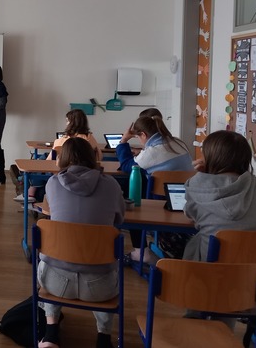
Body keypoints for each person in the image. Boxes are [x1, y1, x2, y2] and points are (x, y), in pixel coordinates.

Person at [37, 138, 125, 348]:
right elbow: (119, 220)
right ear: (93, 157)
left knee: (51, 258)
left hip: (55, 283)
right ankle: (103, 337)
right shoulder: (111, 184)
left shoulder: (52, 183)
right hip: (101, 287)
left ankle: (51, 334)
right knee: (108, 263)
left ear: (62, 159)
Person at [183, 130, 256, 319]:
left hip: (208, 284)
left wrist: (201, 177)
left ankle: (197, 320)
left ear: (210, 158)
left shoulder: (198, 186)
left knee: (197, 244)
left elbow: (190, 213)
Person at [118, 114, 192, 263]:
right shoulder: (178, 142)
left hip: (160, 202)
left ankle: (140, 252)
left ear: (143, 135)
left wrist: (123, 141)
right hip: (186, 197)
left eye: (138, 137)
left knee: (131, 201)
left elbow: (126, 166)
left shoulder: (153, 152)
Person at [14, 109, 101, 203]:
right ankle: (24, 182)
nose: (66, 123)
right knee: (43, 157)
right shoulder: (91, 138)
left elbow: (48, 162)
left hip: (62, 170)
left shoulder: (62, 140)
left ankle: (25, 183)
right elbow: (99, 157)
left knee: (41, 160)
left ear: (71, 123)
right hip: (87, 171)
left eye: (67, 121)